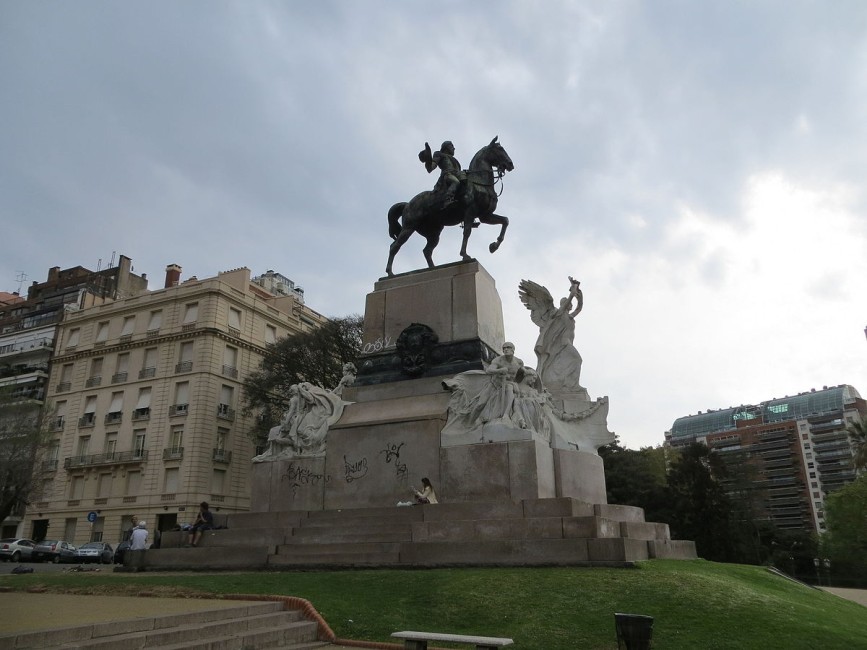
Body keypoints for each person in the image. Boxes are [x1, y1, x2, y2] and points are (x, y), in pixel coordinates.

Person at [420, 140, 463, 204]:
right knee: (455, 182)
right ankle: (448, 199)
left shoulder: (455, 160)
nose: (454, 148)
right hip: (447, 175)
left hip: (457, 175)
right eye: (452, 146)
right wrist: (428, 160)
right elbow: (431, 167)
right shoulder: (439, 154)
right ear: (446, 147)